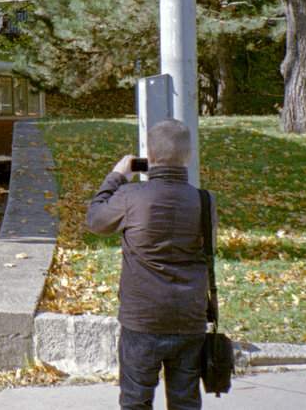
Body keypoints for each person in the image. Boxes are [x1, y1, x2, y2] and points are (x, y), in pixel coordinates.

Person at [85, 118, 215, 410]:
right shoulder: (205, 202)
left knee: (135, 402)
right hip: (190, 318)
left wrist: (118, 175)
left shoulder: (131, 196)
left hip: (142, 320)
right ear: (189, 157)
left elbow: (94, 220)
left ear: (150, 158)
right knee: (185, 403)